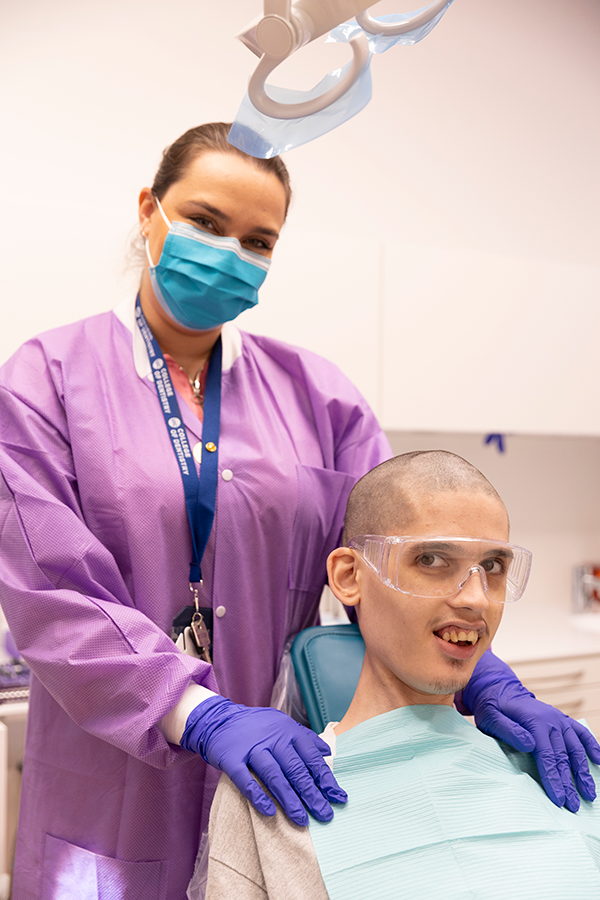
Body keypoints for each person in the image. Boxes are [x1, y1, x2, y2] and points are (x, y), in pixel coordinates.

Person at [0, 124, 597, 900]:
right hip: (109, 782)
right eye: (206, 223)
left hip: (281, 769)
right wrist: (199, 714)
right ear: (150, 211)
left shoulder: (319, 396)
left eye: (257, 241)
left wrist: (485, 680)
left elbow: (396, 560)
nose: (227, 253)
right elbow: (50, 594)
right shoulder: (45, 379)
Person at [205, 451, 600, 900]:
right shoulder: (270, 798)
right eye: (431, 559)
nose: (476, 599)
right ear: (350, 576)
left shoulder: (562, 767)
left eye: (492, 567)